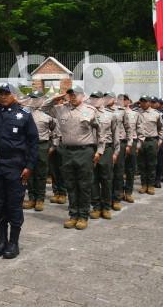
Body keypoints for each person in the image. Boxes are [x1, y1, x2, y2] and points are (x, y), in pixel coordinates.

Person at [0, 84, 38, 260]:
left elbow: (33, 142)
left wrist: (29, 166)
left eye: (7, 93)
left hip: (16, 165)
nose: (3, 96)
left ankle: (13, 243)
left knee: (14, 205)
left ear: (14, 95)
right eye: (0, 93)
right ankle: (1, 241)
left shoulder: (24, 115)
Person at [41, 86, 99, 231]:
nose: (72, 97)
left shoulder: (90, 110)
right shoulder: (61, 109)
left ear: (82, 96)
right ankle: (73, 215)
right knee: (71, 185)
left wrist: (99, 150)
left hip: (84, 151)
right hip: (67, 152)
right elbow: (44, 107)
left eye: (75, 95)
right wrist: (57, 97)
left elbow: (100, 132)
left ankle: (83, 216)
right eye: (70, 95)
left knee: (84, 185)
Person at [23, 91, 58, 211]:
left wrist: (53, 146)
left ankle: (40, 199)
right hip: (28, 146)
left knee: (41, 174)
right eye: (32, 98)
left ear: (42, 99)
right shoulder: (25, 114)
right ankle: (32, 198)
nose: (34, 100)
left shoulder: (47, 116)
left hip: (42, 145)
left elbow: (56, 131)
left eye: (36, 98)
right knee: (29, 173)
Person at [89, 92, 119, 221]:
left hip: (106, 149)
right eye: (93, 98)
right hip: (90, 149)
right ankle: (96, 206)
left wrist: (116, 152)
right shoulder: (86, 113)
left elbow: (115, 134)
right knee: (93, 179)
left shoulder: (110, 115)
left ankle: (106, 207)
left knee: (106, 179)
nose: (95, 100)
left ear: (103, 100)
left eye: (98, 98)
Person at [135, 95, 163, 195]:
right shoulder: (136, 113)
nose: (143, 103)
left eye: (145, 101)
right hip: (140, 141)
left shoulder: (156, 114)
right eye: (141, 101)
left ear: (149, 102)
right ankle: (144, 185)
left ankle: (151, 185)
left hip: (152, 141)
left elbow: (162, 128)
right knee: (142, 164)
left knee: (152, 164)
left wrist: (160, 140)